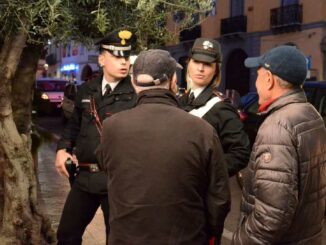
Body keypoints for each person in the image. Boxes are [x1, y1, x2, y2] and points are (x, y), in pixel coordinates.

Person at [96, 49, 231, 245]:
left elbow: (106, 167)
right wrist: (209, 233)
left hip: (126, 237)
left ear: (134, 82)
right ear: (173, 81)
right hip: (186, 238)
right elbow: (219, 197)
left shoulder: (111, 127)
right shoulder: (202, 130)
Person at [232, 45, 326, 244]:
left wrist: (240, 240)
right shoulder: (311, 113)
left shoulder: (277, 127)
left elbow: (271, 218)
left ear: (269, 79)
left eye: (257, 75)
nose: (256, 84)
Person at [54, 29, 137, 244]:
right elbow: (73, 126)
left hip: (117, 182)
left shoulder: (136, 94)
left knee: (117, 239)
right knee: (66, 235)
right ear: (101, 59)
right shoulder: (87, 90)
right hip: (85, 178)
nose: (123, 62)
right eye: (116, 56)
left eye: (126, 56)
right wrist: (62, 149)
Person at [178, 38, 250, 177]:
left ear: (216, 70)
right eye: (196, 61)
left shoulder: (221, 107)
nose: (200, 69)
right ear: (189, 63)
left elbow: (240, 153)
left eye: (207, 64)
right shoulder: (181, 101)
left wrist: (207, 173)